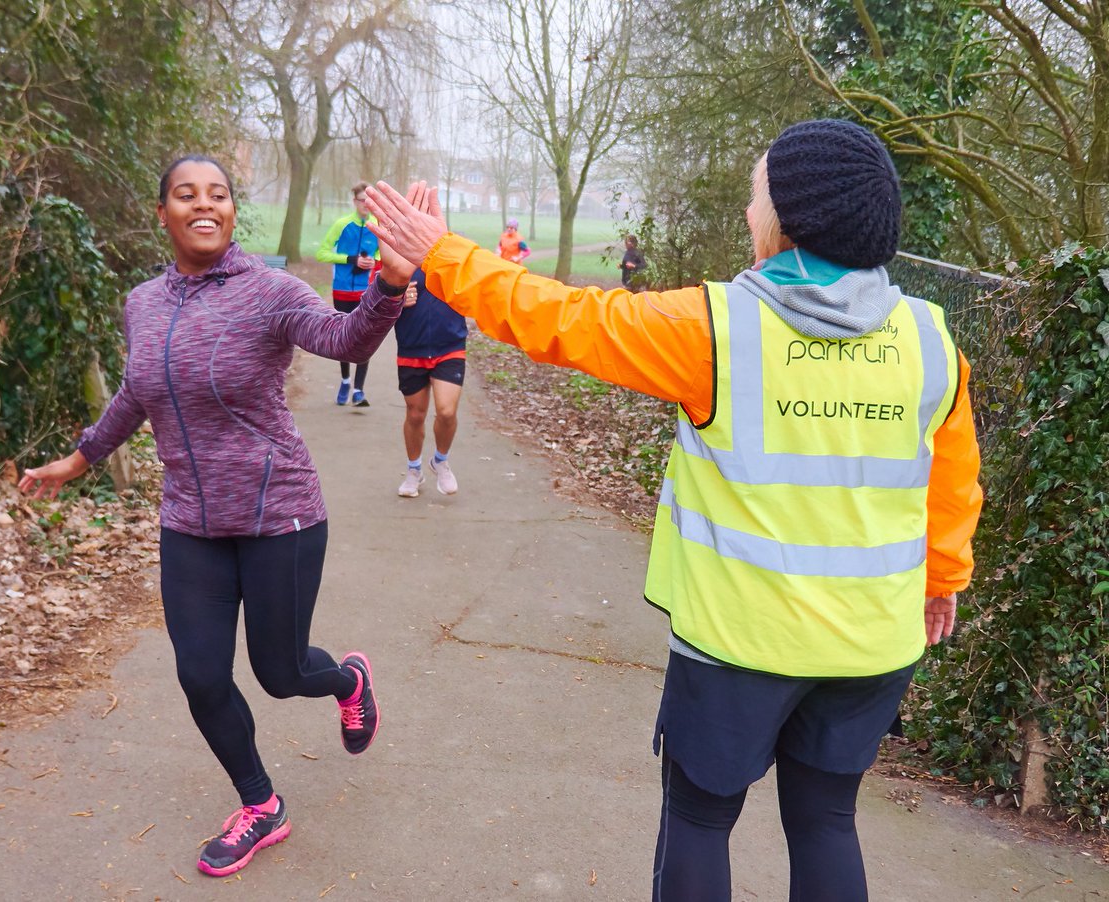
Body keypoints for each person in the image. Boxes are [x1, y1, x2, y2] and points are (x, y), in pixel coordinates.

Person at [364, 118, 982, 902]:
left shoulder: (713, 328)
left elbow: (561, 321)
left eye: (757, 196)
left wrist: (444, 256)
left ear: (786, 221)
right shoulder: (930, 340)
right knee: (827, 821)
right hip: (871, 648)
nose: (749, 213)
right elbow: (953, 481)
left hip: (736, 646)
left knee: (698, 821)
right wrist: (943, 577)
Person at [18, 156, 417, 878]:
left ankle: (348, 682)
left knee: (281, 670)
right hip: (191, 522)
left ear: (233, 212)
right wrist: (77, 461)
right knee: (201, 677)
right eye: (186, 194)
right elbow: (138, 394)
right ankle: (260, 805)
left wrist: (388, 285)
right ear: (163, 212)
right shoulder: (142, 302)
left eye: (219, 195)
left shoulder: (269, 292)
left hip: (280, 516)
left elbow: (343, 340)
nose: (205, 205)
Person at [393, 270, 468, 497]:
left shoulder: (456, 258)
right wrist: (395, 300)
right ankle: (414, 470)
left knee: (446, 411)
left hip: (450, 345)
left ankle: (440, 461)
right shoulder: (400, 260)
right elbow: (375, 297)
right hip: (411, 346)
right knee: (415, 415)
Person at [316, 181, 381, 407]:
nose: (366, 205)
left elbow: (384, 255)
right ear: (355, 202)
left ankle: (359, 390)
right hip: (342, 289)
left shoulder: (377, 227)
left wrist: (375, 261)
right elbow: (322, 253)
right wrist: (349, 259)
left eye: (370, 201)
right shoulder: (342, 225)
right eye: (362, 200)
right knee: (344, 339)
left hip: (366, 292)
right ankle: (345, 380)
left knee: (365, 339)